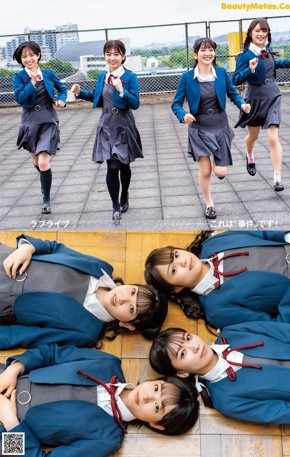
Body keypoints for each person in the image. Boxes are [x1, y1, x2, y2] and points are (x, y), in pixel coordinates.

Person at [0, 343, 199, 457]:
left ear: (156, 424)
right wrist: (14, 368)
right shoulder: (108, 363)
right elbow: (51, 353)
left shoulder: (108, 439)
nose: (147, 395)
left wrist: (10, 424)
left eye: (157, 406)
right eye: (157, 388)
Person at [0, 234, 168, 349]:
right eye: (132, 292)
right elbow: (54, 248)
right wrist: (27, 248)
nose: (123, 299)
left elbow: (27, 335)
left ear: (128, 325)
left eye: (132, 309)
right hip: (6, 257)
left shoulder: (87, 332)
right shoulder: (100, 267)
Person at [149, 321, 290, 425]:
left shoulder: (232, 331)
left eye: (188, 338)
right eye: (182, 353)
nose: (194, 346)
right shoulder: (225, 400)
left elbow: (288, 332)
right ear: (181, 373)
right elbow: (286, 412)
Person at [144, 230, 290, 329]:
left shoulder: (213, 242)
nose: (182, 261)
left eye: (175, 255)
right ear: (175, 289)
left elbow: (265, 232)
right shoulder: (217, 310)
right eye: (174, 269)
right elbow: (277, 326)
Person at [171, 38, 251, 219]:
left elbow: (233, 94)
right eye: (203, 50)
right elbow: (175, 104)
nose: (207, 54)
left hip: (220, 126)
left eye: (211, 50)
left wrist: (242, 104)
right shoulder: (187, 78)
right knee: (205, 171)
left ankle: (219, 163)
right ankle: (209, 203)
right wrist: (183, 115)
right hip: (199, 128)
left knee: (221, 172)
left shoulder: (221, 73)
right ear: (195, 54)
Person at [71, 40, 143, 226]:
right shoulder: (102, 75)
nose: (112, 58)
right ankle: (115, 207)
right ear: (104, 56)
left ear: (123, 56)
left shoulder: (130, 77)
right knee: (112, 166)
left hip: (124, 124)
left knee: (124, 165)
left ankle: (124, 193)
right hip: (106, 125)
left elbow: (135, 103)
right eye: (108, 54)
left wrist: (121, 90)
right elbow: (98, 98)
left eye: (116, 54)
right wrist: (80, 93)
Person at [232, 18, 290, 191]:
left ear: (268, 33)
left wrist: (289, 63)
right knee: (252, 136)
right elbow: (235, 80)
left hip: (272, 95)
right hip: (254, 98)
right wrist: (251, 69)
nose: (261, 34)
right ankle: (249, 154)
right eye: (257, 31)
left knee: (272, 136)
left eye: (264, 31)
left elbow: (272, 65)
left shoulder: (266, 51)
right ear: (250, 33)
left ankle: (277, 178)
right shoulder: (245, 55)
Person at [13, 41, 67, 215]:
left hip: (48, 120)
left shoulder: (49, 74)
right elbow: (21, 99)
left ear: (38, 55)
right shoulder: (19, 77)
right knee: (36, 161)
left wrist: (62, 99)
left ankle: (46, 200)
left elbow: (62, 89)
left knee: (44, 162)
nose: (28, 59)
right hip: (30, 123)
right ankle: (45, 182)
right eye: (24, 57)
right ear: (21, 60)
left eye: (31, 55)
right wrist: (33, 83)